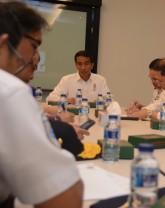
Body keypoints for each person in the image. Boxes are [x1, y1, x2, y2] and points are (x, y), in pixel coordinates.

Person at [0, 2, 83, 207]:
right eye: (34, 47)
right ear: (4, 43)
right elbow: (66, 200)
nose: (35, 59)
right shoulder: (9, 91)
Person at [46, 50, 110, 104]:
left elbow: (109, 100)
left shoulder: (100, 80)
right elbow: (50, 98)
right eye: (79, 64)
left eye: (86, 64)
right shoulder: (67, 80)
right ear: (76, 65)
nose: (83, 68)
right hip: (72, 116)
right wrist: (66, 100)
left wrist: (101, 101)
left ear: (92, 65)